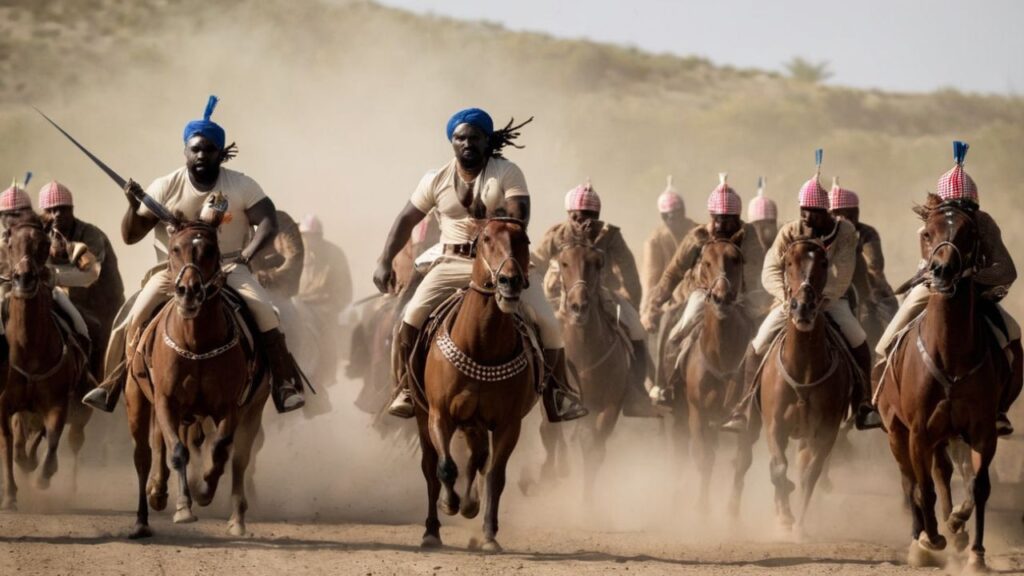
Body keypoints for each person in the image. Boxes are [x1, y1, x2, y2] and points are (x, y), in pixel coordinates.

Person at [82, 95, 306, 413]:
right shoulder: (164, 186)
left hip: (228, 266)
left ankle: (283, 384)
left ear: (220, 153)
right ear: (185, 151)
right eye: (195, 149)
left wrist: (246, 255)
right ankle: (114, 382)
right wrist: (134, 206)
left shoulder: (242, 185)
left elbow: (268, 222)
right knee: (133, 316)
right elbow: (131, 236)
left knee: (266, 312)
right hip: (172, 270)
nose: (201, 155)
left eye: (209, 149)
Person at [372, 107, 587, 422]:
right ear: (452, 142)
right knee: (409, 316)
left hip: (499, 263)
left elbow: (519, 215)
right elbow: (406, 218)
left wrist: (491, 223)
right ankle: (405, 386)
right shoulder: (435, 179)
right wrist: (384, 259)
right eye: (460, 138)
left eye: (475, 137)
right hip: (450, 261)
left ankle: (558, 392)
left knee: (548, 322)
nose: (467, 143)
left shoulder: (507, 172)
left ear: (487, 141)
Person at [722, 153, 882, 432]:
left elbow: (842, 271)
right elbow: (770, 270)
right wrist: (789, 299)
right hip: (791, 301)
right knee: (758, 343)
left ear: (827, 212)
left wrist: (819, 298)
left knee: (858, 338)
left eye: (815, 212)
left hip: (830, 300)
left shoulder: (844, 232)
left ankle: (863, 405)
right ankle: (744, 405)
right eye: (804, 211)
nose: (808, 217)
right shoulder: (790, 231)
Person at [875, 142, 1021, 435]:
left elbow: (1006, 269)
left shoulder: (984, 224)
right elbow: (927, 262)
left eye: (964, 208)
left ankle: (999, 409)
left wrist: (973, 281)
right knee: (886, 341)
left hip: (973, 293)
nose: (957, 213)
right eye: (952, 206)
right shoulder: (931, 223)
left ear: (973, 207)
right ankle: (876, 401)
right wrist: (933, 276)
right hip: (932, 288)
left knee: (1013, 335)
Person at [532, 180, 653, 416]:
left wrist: (632, 302)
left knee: (638, 330)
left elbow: (628, 270)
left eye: (589, 215)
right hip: (558, 296)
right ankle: (532, 384)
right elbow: (537, 261)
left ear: (597, 214)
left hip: (602, 294)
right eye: (577, 216)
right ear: (569, 215)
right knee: (534, 328)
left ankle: (637, 391)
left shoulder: (610, 236)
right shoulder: (557, 235)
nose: (583, 221)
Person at [644, 173, 766, 403]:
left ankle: (759, 392)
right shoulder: (698, 236)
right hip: (703, 293)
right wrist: (656, 301)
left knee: (763, 335)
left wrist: (753, 301)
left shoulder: (749, 236)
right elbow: (674, 271)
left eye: (729, 219)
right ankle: (666, 385)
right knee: (676, 328)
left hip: (742, 294)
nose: (723, 225)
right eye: (718, 219)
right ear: (711, 216)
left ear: (738, 217)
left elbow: (756, 273)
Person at [38, 180, 126, 379]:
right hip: (68, 302)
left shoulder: (91, 235)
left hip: (103, 308)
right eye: (50, 210)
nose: (57, 214)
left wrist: (50, 275)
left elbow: (89, 275)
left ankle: (100, 385)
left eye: (62, 209)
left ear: (72, 209)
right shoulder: (41, 236)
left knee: (97, 338)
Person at [827, 178, 898, 350]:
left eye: (849, 213)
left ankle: (888, 356)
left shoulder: (867, 233)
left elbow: (874, 265)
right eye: (836, 213)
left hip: (871, 290)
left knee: (892, 323)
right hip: (830, 292)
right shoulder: (822, 234)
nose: (843, 218)